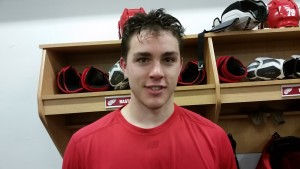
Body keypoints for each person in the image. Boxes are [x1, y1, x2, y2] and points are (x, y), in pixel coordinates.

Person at [62, 8, 237, 169]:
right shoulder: (83, 146)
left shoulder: (215, 140)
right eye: (143, 60)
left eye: (168, 60)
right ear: (124, 66)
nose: (157, 72)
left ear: (180, 65)